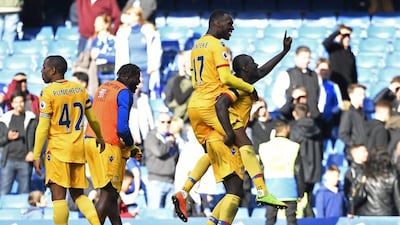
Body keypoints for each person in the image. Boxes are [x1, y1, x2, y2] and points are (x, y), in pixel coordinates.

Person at [173, 29, 292, 223]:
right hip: (227, 136)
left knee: (229, 188)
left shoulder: (245, 80)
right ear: (245, 69)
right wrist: (229, 131)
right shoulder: (236, 87)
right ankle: (261, 189)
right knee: (235, 192)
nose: (257, 66)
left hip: (214, 135)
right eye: (253, 63)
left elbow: (263, 71)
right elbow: (221, 104)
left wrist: (284, 51)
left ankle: (185, 192)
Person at [32, 55, 105, 225]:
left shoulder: (48, 92)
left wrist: (36, 154)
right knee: (78, 195)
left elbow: (43, 127)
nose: (42, 71)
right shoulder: (80, 89)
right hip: (78, 151)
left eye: (44, 67)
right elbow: (92, 117)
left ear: (53, 70)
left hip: (58, 151)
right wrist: (99, 136)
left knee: (58, 198)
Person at [85, 63, 142, 225]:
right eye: (136, 78)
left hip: (90, 141)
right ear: (128, 77)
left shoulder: (104, 87)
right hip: (107, 145)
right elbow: (122, 128)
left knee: (112, 195)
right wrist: (131, 146)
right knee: (107, 193)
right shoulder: (124, 92)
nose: (138, 83)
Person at [259, 119, 304, 225]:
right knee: (291, 219)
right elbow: (298, 171)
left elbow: (260, 170)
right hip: (289, 188)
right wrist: (301, 191)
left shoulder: (264, 147)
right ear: (287, 128)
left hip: (271, 188)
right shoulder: (294, 146)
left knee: (270, 219)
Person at [115, 5, 162, 98]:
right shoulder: (122, 32)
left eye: (130, 14)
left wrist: (153, 67)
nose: (126, 17)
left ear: (137, 16)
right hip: (130, 71)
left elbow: (157, 50)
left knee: (145, 97)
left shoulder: (150, 31)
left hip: (146, 70)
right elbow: (119, 54)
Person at [289, 103, 323, 218]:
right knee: (308, 201)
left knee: (300, 202)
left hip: (300, 169)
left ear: (295, 114)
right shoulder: (317, 128)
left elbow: (293, 150)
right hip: (315, 168)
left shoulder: (295, 129)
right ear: (308, 113)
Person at [0, 90, 37, 195]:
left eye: (21, 102)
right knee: (3, 192)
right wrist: (7, 137)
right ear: (12, 104)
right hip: (8, 161)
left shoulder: (32, 120)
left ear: (24, 103)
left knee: (24, 193)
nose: (19, 104)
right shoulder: (5, 120)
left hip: (25, 161)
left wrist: (32, 151)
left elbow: (40, 139)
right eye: (16, 102)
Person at [272, 46, 320, 120]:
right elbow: (277, 95)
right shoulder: (286, 74)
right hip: (293, 120)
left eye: (309, 58)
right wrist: (286, 110)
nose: (307, 60)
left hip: (313, 119)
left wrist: (318, 110)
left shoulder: (314, 75)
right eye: (304, 58)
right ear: (296, 57)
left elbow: (321, 95)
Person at [144, 111, 179, 209]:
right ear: (157, 122)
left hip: (171, 182)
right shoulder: (151, 136)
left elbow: (176, 158)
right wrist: (169, 143)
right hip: (156, 182)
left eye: (169, 122)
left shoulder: (172, 138)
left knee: (169, 219)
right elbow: (159, 152)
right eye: (162, 122)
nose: (166, 124)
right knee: (155, 217)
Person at [353, 151, 400, 216]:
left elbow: (355, 195)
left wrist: (352, 210)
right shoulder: (392, 176)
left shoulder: (365, 174)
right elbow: (398, 199)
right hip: (387, 214)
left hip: (366, 214)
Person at [323, 24, 357, 100]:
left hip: (347, 88)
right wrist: (339, 32)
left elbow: (354, 73)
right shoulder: (334, 49)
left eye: (348, 36)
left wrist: (354, 88)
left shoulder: (351, 54)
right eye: (345, 36)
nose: (347, 38)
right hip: (336, 85)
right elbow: (326, 43)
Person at [338, 84, 368, 161]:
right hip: (354, 153)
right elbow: (343, 133)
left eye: (363, 94)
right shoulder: (348, 113)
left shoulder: (362, 113)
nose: (363, 97)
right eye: (359, 94)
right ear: (351, 95)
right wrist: (354, 145)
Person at [316, 58, 342, 142]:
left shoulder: (333, 86)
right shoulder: (312, 84)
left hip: (328, 122)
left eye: (326, 70)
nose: (324, 72)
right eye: (322, 69)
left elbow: (339, 104)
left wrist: (330, 112)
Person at [88, 14, 117, 88]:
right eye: (95, 22)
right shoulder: (94, 40)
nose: (95, 25)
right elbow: (92, 55)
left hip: (109, 73)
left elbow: (116, 57)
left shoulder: (113, 40)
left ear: (106, 24)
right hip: (96, 73)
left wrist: (100, 55)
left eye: (98, 23)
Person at [343, 144, 368, 216]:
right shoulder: (350, 173)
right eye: (363, 151)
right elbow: (348, 193)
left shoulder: (369, 169)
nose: (366, 153)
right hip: (357, 212)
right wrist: (351, 210)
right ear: (355, 154)